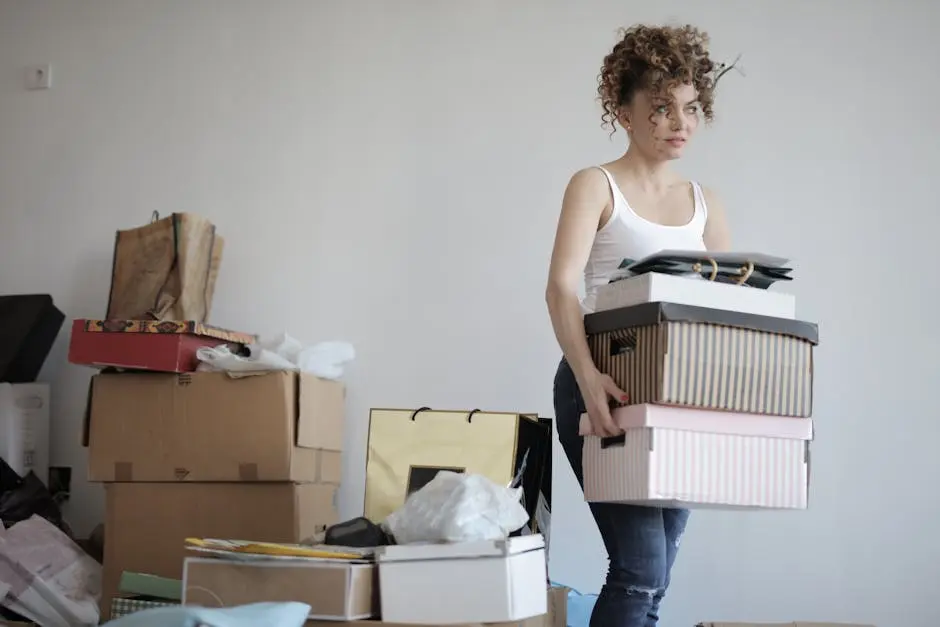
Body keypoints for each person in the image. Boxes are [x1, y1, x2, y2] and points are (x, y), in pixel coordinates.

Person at [545, 24, 733, 627]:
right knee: (641, 567)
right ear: (623, 113)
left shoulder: (705, 202)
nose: (679, 122)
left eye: (690, 108)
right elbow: (560, 288)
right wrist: (588, 377)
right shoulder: (595, 185)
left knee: (656, 574)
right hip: (603, 383)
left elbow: (725, 309)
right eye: (660, 108)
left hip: (677, 395)